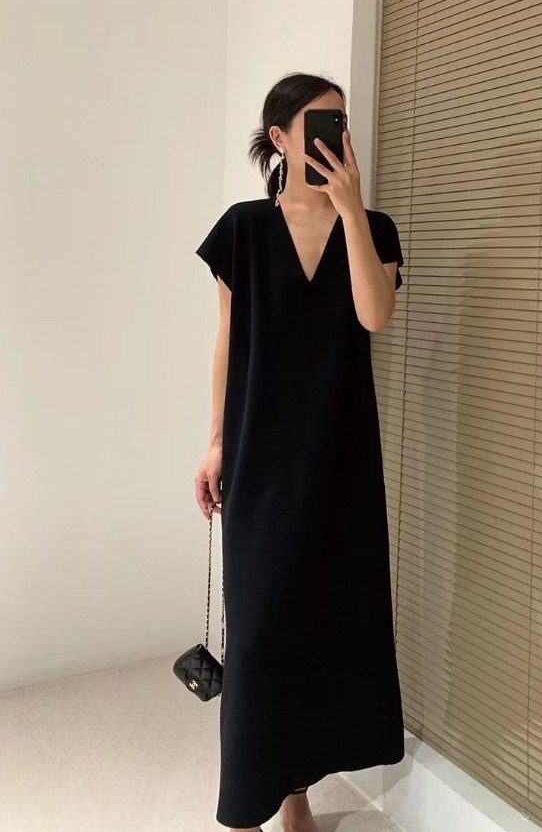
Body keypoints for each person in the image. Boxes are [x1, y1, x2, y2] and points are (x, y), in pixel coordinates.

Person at [194, 72, 406, 832]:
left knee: (321, 630)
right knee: (259, 639)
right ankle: (244, 811)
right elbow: (227, 340)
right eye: (318, 124)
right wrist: (214, 442)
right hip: (261, 456)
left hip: (341, 462)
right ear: (280, 138)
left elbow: (374, 316)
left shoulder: (373, 228)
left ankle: (294, 798)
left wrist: (350, 209)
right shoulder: (243, 230)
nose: (333, 138)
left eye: (341, 124)